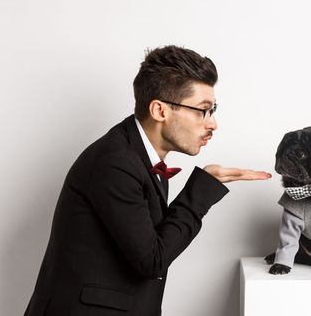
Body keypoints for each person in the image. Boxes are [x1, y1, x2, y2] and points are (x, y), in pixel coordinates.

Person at [24, 46, 271, 315]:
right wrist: (201, 191)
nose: (212, 124)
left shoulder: (140, 157)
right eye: (203, 110)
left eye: (212, 110)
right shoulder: (115, 161)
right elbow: (151, 260)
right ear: (159, 110)